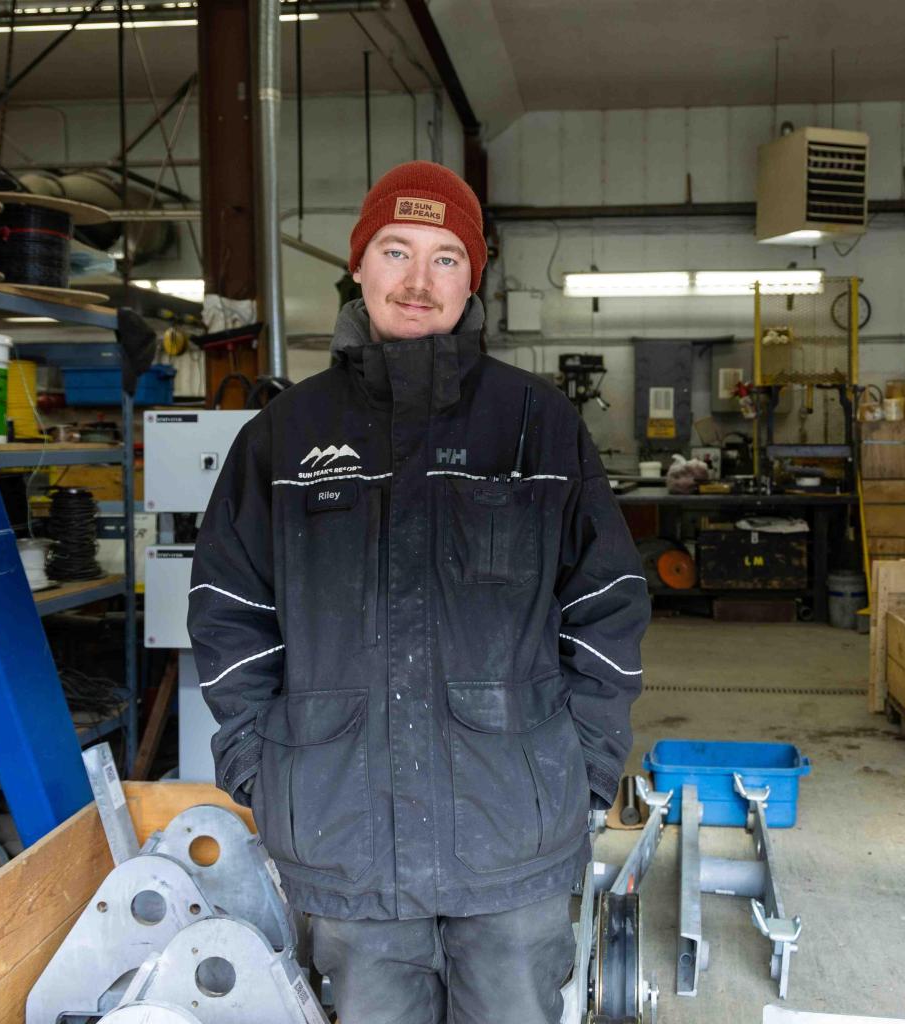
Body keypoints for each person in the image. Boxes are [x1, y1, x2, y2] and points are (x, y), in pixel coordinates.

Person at [187, 160, 650, 1023]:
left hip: (512, 840)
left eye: (445, 258)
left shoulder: (538, 424)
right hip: (343, 839)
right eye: (395, 250)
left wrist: (582, 767)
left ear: (472, 280)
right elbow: (230, 611)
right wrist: (260, 764)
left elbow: (607, 602)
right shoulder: (284, 436)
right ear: (358, 264)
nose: (417, 279)